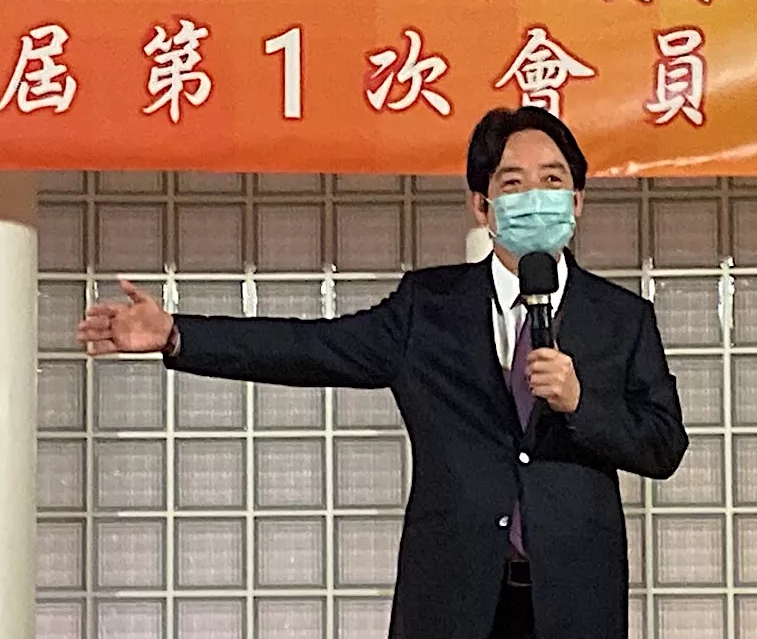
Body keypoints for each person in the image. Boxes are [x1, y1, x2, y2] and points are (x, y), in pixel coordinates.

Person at [76, 106, 688, 639]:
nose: (535, 195)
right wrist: (177, 334)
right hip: (451, 597)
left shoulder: (622, 318)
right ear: (482, 206)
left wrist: (581, 403)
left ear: (576, 201)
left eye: (552, 181)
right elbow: (312, 348)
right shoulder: (430, 308)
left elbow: (663, 446)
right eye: (513, 183)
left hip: (576, 599)